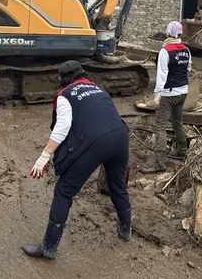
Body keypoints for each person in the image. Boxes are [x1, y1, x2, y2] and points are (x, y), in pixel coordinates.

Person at [22, 60, 131, 260]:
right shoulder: (97, 88)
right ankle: (125, 230)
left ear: (63, 78)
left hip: (95, 143)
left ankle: (48, 248)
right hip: (120, 136)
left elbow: (62, 127)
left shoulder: (65, 95)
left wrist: (45, 155)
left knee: (64, 191)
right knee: (117, 185)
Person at [141, 21, 191, 174]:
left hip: (169, 93)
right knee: (177, 122)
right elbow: (188, 69)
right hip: (183, 92)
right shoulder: (186, 50)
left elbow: (162, 75)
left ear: (168, 33)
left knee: (160, 126)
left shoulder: (165, 50)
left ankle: (160, 163)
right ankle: (183, 152)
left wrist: (157, 95)